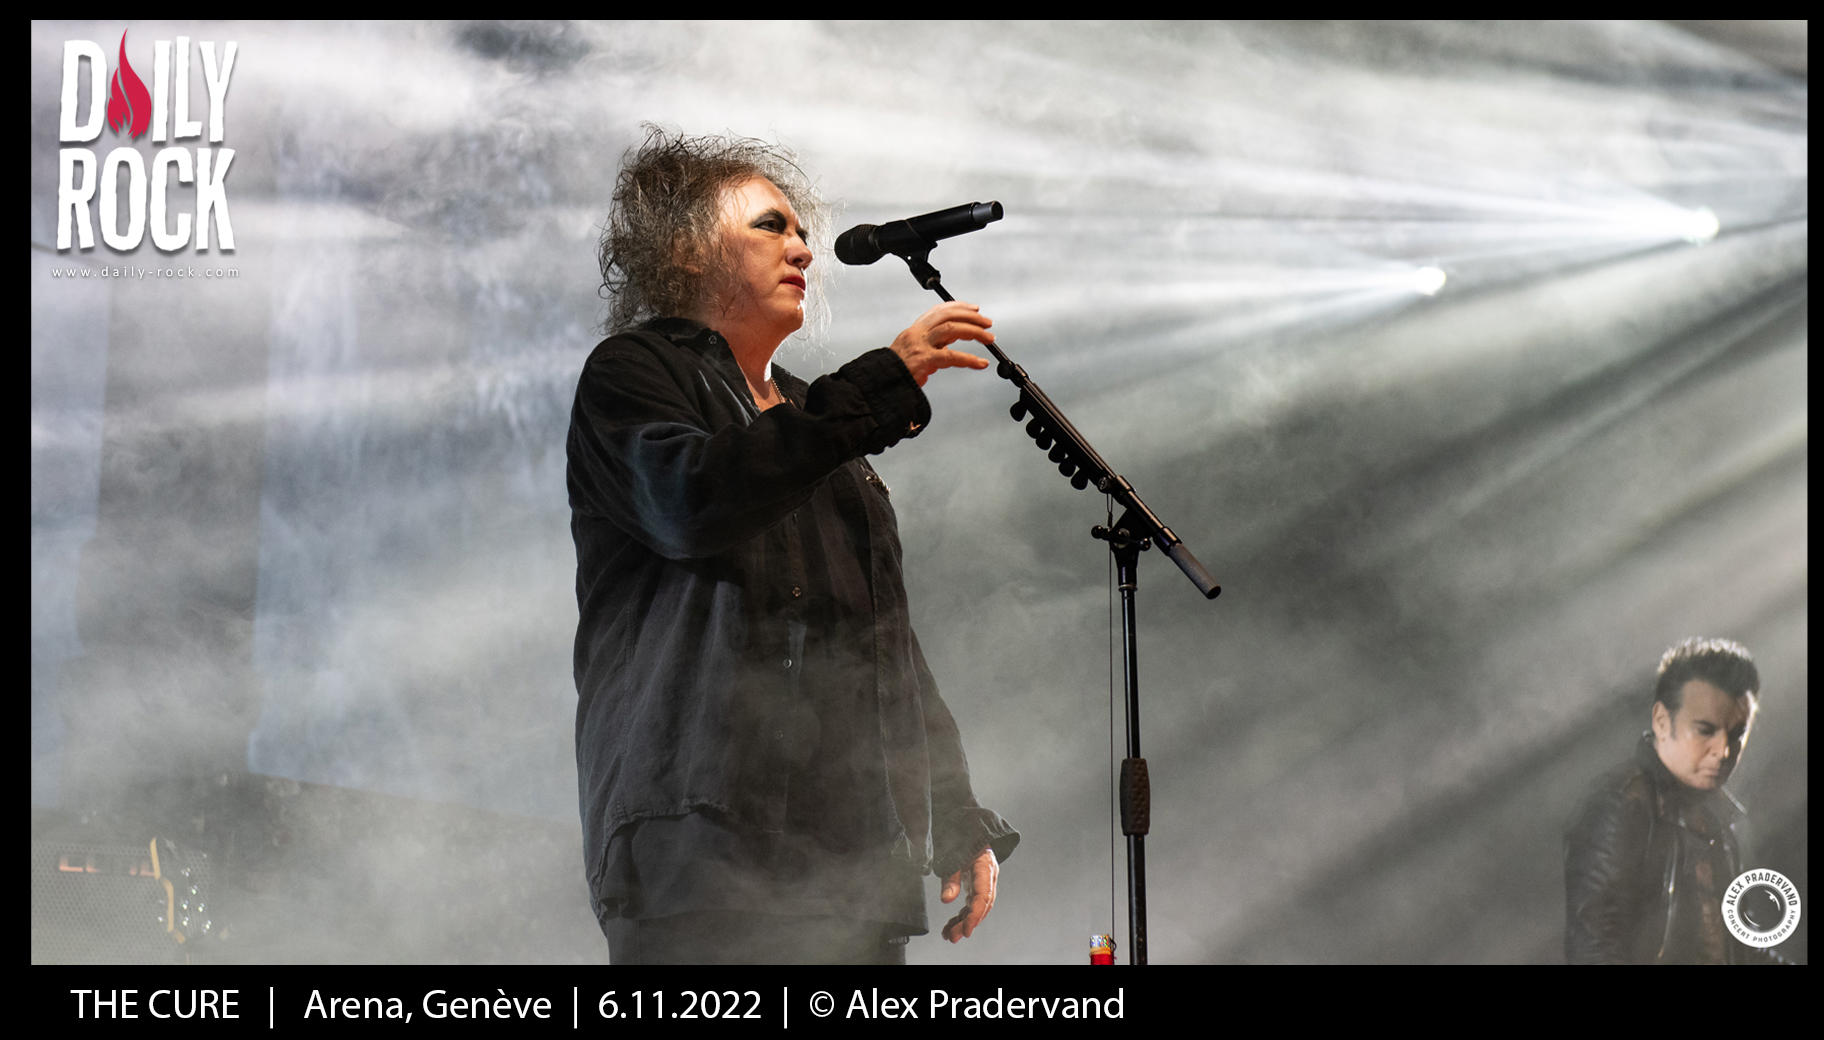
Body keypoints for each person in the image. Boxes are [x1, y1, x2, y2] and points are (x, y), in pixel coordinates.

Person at [567, 128, 1019, 964]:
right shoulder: (631, 374)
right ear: (686, 249)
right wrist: (875, 388)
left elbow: (884, 640)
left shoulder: (817, 416)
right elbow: (690, 502)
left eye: (803, 232)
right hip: (703, 845)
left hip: (853, 863)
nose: (804, 249)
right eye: (771, 226)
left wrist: (955, 811)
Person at [1563, 637, 1785, 964]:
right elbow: (1595, 951)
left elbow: (1741, 947)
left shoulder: (1719, 820)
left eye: (1737, 734)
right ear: (1662, 722)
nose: (1723, 751)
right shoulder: (1621, 806)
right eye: (1705, 730)